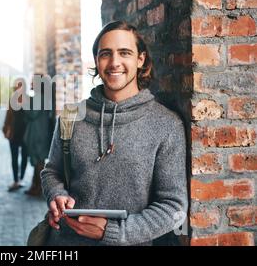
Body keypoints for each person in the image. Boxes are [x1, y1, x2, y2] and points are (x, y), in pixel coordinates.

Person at [41, 21, 188, 246]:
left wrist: (112, 233)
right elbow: (51, 171)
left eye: (125, 53)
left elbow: (173, 207)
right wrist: (56, 195)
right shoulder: (71, 116)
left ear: (140, 60)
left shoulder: (166, 125)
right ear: (97, 61)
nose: (114, 62)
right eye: (105, 54)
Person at [23, 75, 53, 196]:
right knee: (37, 161)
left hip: (37, 133)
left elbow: (32, 114)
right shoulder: (42, 97)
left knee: (38, 161)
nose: (30, 84)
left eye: (32, 82)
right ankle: (35, 186)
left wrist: (24, 104)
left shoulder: (38, 97)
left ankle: (39, 187)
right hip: (39, 132)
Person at [2, 79, 28, 192]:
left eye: (20, 86)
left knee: (25, 157)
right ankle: (15, 180)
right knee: (14, 157)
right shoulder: (12, 100)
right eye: (17, 87)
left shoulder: (29, 100)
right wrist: (5, 129)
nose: (18, 89)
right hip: (13, 134)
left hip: (25, 134)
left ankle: (21, 178)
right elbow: (8, 116)